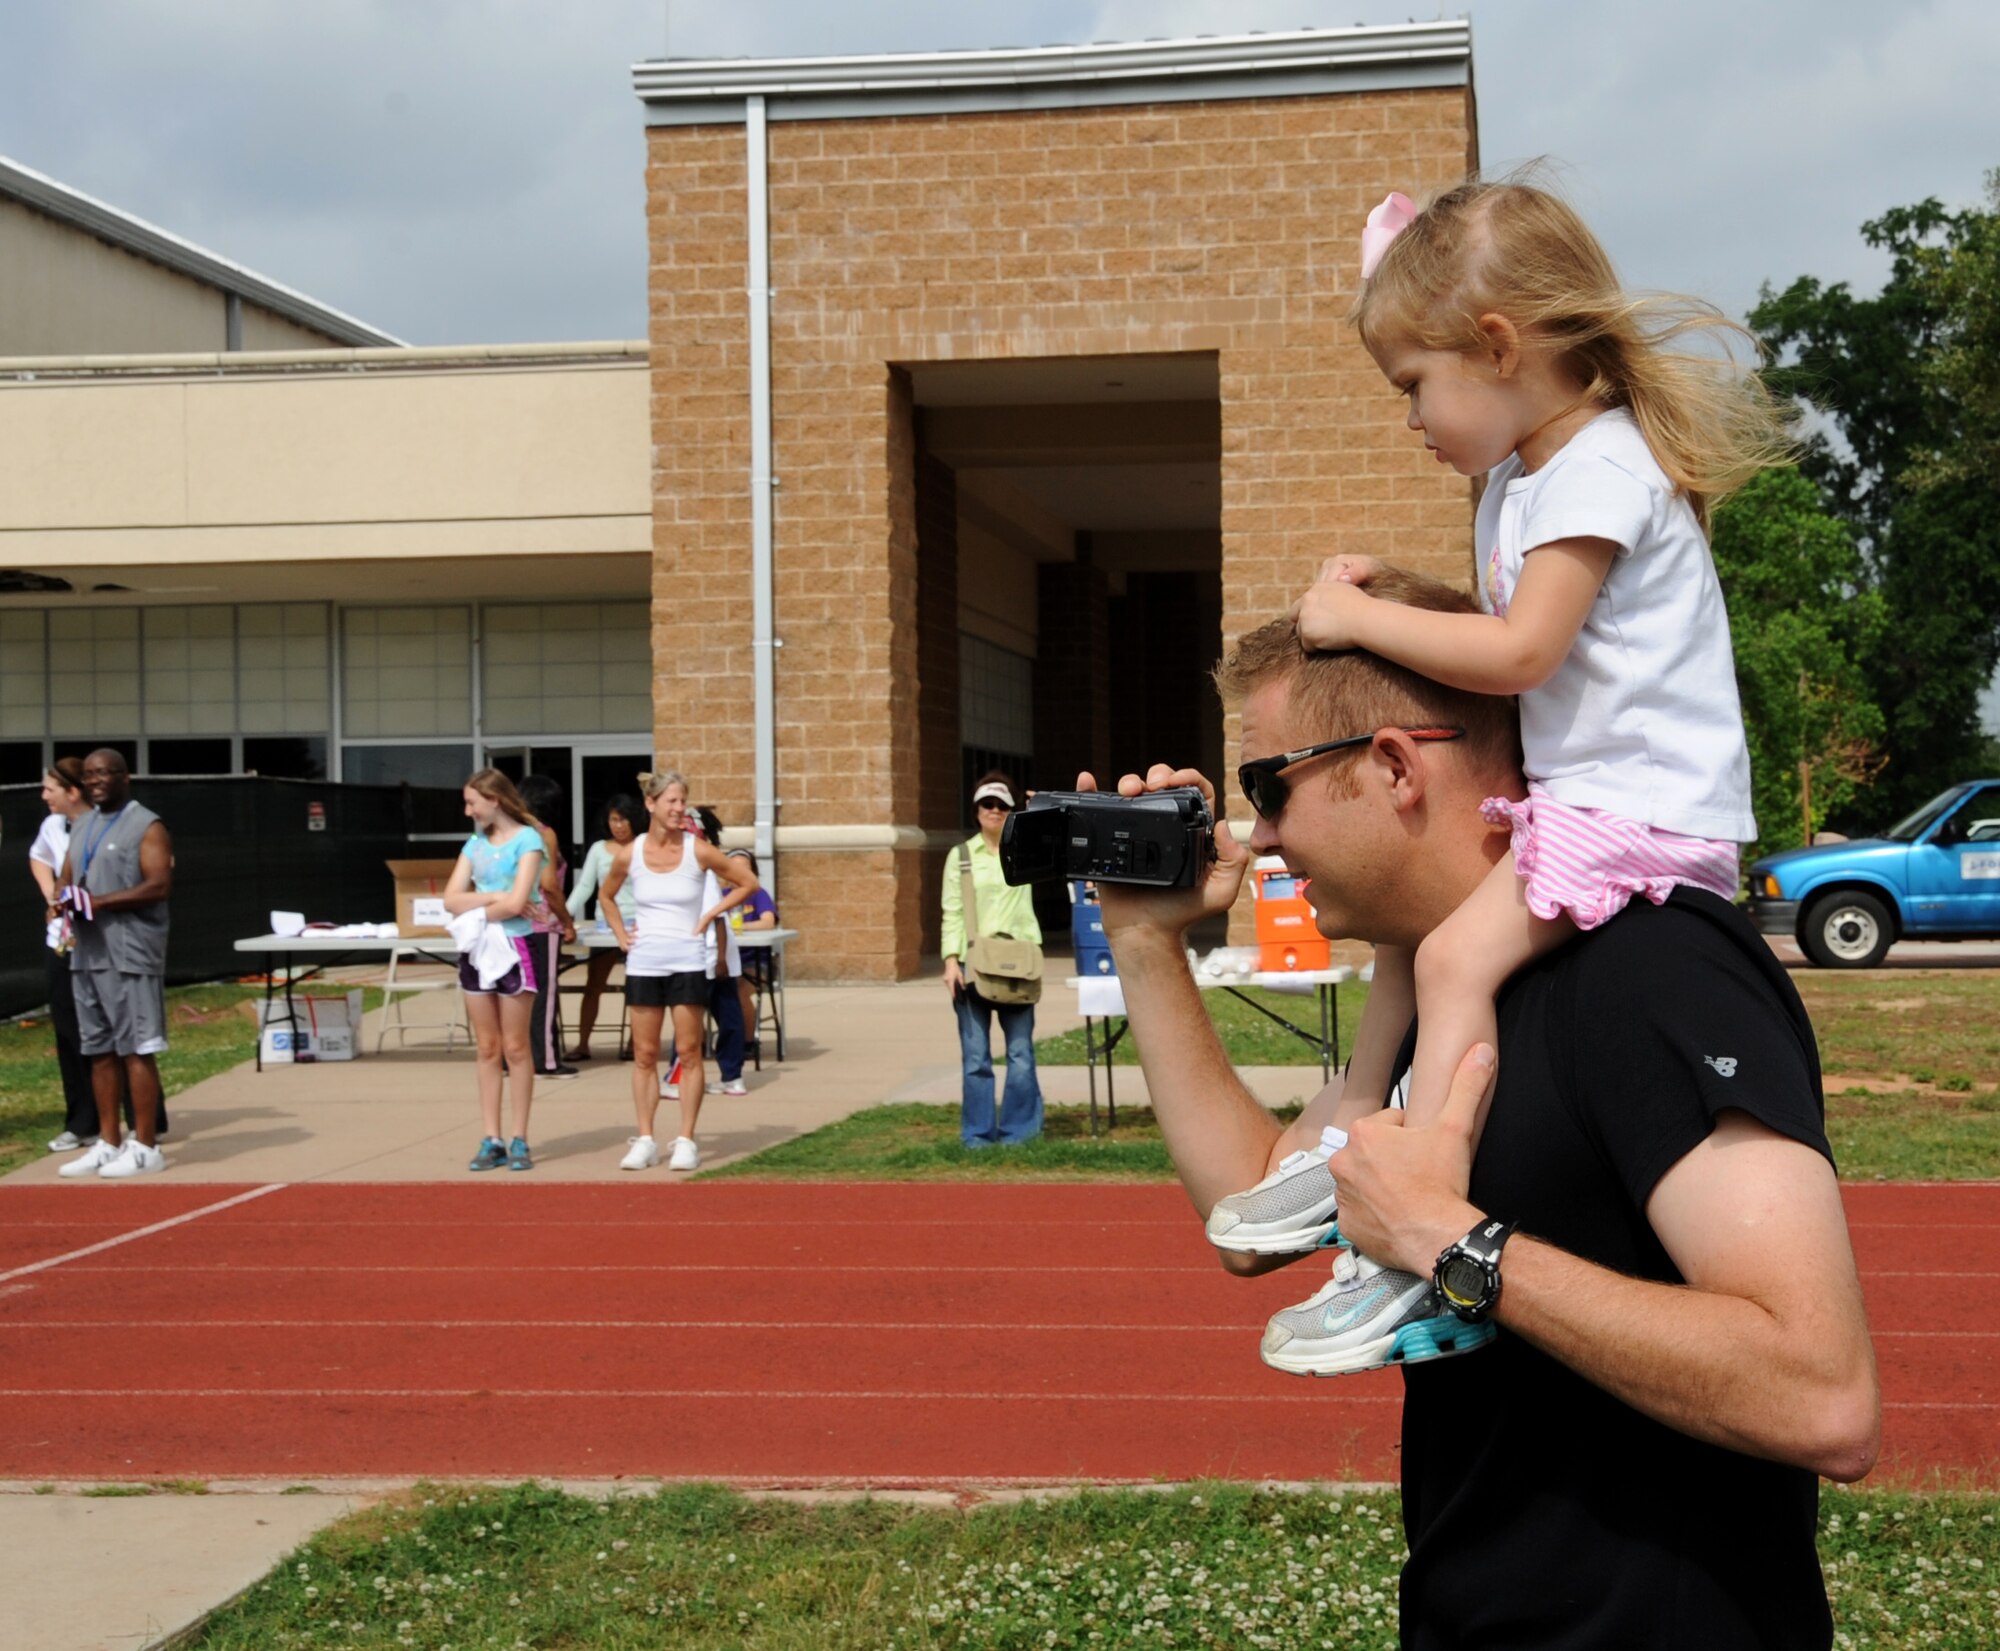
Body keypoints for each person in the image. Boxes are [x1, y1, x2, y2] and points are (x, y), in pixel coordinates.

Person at [1090, 566, 1878, 1648]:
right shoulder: (1428, 977)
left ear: (1393, 766)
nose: (1258, 836)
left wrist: (1452, 1244)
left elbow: (1821, 1394)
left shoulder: (1648, 967)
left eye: (1266, 785)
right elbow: (1251, 1213)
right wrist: (1144, 943)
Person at [1207, 176, 1789, 1305]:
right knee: (1405, 941)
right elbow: (1500, 640)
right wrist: (1396, 595)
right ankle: (1350, 1139)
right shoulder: (1521, 481)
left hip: (1642, 813)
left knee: (1450, 959)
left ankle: (1418, 1215)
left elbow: (1521, 655)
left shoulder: (1602, 470)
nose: (1411, 418)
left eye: (1415, 385)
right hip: (1579, 796)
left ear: (1495, 343)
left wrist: (1356, 619)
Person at [599, 771, 757, 1172]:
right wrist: (621, 935)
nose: (678, 808)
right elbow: (606, 895)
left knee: (688, 1052)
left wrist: (712, 914)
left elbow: (747, 882)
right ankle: (646, 1138)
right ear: (650, 805)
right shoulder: (630, 852)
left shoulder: (698, 850)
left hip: (687, 960)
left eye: (682, 801)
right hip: (644, 962)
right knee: (645, 1055)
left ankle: (686, 1138)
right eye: (671, 801)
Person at [54, 749, 175, 1180]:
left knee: (136, 1048)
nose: (96, 781)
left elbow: (158, 884)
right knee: (99, 1049)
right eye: (89, 775)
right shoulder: (82, 823)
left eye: (104, 773)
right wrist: (62, 901)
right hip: (88, 953)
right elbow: (67, 876)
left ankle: (145, 1144)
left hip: (129, 952)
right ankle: (107, 1141)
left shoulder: (146, 824)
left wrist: (100, 902)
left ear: (125, 776)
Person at [441, 768, 546, 1172]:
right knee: (487, 1047)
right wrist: (496, 897)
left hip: (515, 946)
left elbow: (519, 904)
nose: (468, 811)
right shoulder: (473, 845)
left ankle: (519, 1136)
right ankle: (492, 1136)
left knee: (516, 1047)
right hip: (477, 947)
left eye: (472, 802)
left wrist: (485, 904)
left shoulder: (528, 840)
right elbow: (450, 899)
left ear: (494, 800)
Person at [939, 772, 1044, 1147]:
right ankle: (979, 1135)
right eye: (988, 804)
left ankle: (1020, 1133)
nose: (995, 811)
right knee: (976, 1058)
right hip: (974, 965)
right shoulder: (961, 855)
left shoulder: (1026, 847)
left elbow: (1060, 845)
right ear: (976, 809)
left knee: (1020, 1054)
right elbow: (951, 910)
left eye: (1003, 804)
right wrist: (951, 960)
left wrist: (1042, 807)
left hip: (1019, 961)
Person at [31, 758, 104, 1153]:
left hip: (103, 942)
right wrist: (51, 895)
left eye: (50, 789)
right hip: (61, 942)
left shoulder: (108, 824)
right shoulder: (52, 827)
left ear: (73, 792)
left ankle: (142, 1121)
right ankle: (82, 1123)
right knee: (68, 1030)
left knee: (114, 1030)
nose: (43, 796)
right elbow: (40, 857)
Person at [566, 793, 641, 1059]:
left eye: (623, 820)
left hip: (637, 925)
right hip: (604, 924)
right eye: (613, 819)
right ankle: (583, 1043)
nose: (618, 826)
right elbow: (585, 886)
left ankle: (635, 1043)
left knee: (638, 986)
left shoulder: (644, 845)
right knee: (594, 984)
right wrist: (564, 916)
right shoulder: (598, 849)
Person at [514, 772, 578, 1078]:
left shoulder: (507, 832)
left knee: (516, 992)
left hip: (511, 922)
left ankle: (511, 1056)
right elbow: (549, 884)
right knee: (544, 992)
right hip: (541, 924)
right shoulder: (543, 833)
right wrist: (566, 921)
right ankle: (546, 1059)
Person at [726, 847, 778, 1053]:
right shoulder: (720, 896)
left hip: (754, 962)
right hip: (725, 961)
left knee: (739, 991)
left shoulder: (758, 895)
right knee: (699, 991)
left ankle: (747, 1042)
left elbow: (768, 922)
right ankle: (700, 1043)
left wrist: (739, 927)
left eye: (744, 870)